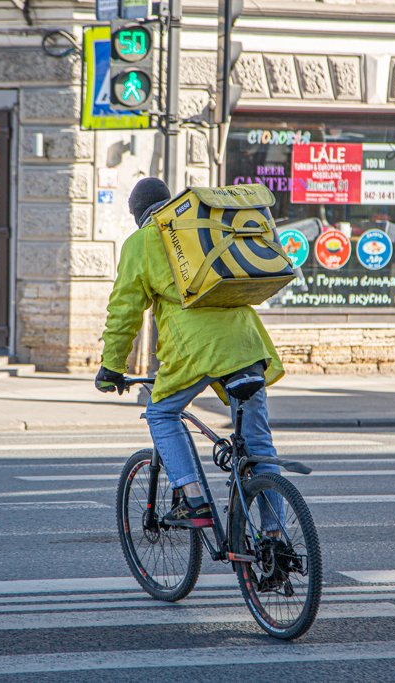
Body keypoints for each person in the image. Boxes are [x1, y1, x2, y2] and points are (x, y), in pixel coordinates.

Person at [94, 177, 285, 529]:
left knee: (161, 414)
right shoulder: (200, 229)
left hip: (198, 351)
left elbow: (124, 312)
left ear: (136, 213)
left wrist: (111, 367)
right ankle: (276, 540)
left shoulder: (143, 242)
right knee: (259, 446)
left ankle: (194, 500)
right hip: (247, 345)